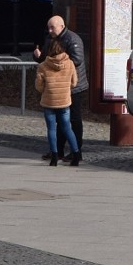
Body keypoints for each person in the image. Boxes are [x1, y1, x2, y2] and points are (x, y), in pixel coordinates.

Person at [34, 15, 88, 162]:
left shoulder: (73, 39)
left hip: (73, 86)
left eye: (52, 27)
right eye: (48, 27)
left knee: (74, 120)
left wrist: (59, 63)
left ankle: (76, 150)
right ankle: (57, 151)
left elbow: (77, 60)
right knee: (60, 121)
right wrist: (38, 57)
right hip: (56, 86)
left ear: (62, 26)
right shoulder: (50, 38)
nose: (50, 30)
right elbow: (47, 58)